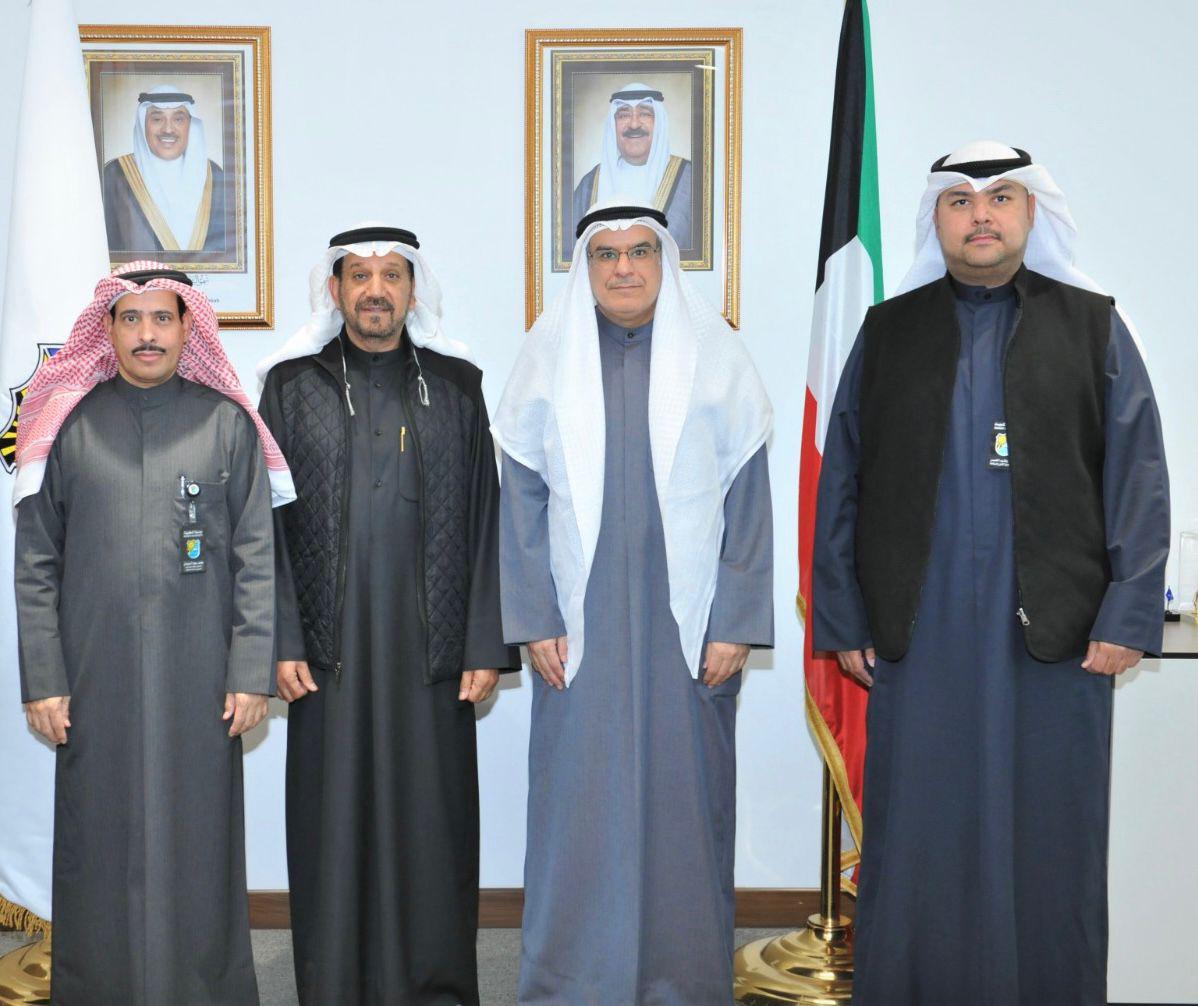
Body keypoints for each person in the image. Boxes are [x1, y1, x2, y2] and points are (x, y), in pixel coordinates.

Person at [812, 141, 1170, 1005]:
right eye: (961, 200)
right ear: (935, 218)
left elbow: (1138, 476)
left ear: (1031, 213)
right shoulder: (889, 333)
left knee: (1050, 839)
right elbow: (843, 479)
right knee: (919, 837)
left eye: (1000, 198)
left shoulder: (1092, 326)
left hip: (1058, 639)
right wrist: (844, 617)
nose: (981, 215)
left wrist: (1127, 614)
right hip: (919, 635)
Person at [494, 199, 773, 1004]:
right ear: (586, 266)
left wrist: (735, 623)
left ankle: (679, 981)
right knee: (577, 813)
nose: (623, 268)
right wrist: (534, 619)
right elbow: (522, 501)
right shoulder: (548, 357)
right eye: (606, 254)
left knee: (684, 811)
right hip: (578, 634)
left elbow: (748, 501)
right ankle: (572, 983)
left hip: (688, 630)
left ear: (665, 262)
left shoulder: (717, 358)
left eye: (639, 252)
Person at [14, 262, 293, 1005]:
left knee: (199, 841)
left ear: (187, 326)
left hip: (202, 677)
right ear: (106, 330)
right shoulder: (66, 424)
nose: (147, 334)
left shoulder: (226, 424)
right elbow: (35, 561)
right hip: (91, 678)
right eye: (131, 319)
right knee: (96, 842)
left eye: (162, 318)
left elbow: (257, 557)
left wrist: (250, 671)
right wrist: (43, 678)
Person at [256, 223, 519, 1006]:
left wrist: (483, 643)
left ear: (412, 289)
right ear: (334, 290)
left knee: (431, 825)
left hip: (431, 650)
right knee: (331, 824)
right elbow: (262, 526)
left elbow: (486, 519)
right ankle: (333, 985)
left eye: (391, 275)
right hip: (325, 653)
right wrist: (280, 637)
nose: (376, 290)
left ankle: (434, 989)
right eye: (360, 275)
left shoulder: (458, 385)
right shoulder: (289, 387)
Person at [101, 83, 227, 254]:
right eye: (157, 119)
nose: (168, 129)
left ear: (190, 125)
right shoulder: (115, 174)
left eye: (178, 119)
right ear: (143, 124)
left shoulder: (215, 176)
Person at [571, 84, 693, 253]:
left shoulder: (690, 180)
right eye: (624, 115)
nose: (634, 124)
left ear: (659, 122)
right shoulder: (590, 184)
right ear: (613, 125)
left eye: (645, 113)